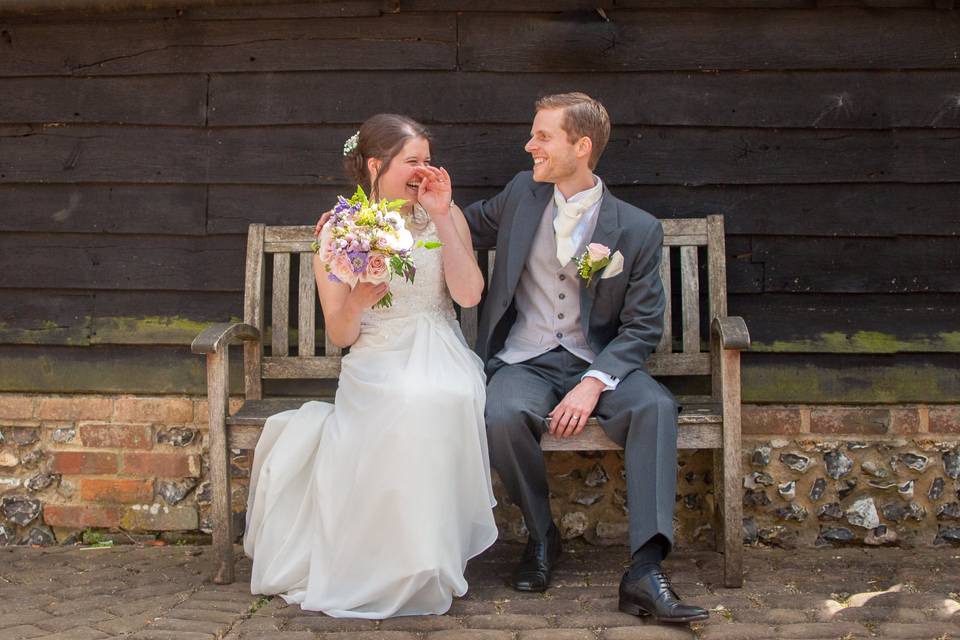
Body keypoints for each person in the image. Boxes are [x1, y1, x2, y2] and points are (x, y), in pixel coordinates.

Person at [457, 92, 709, 623]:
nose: (530, 145)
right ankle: (542, 536)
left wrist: (594, 381)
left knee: (655, 408)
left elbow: (642, 328)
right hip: (526, 358)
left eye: (542, 136)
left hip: (602, 362)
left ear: (582, 145)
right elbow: (459, 225)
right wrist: (388, 212)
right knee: (501, 413)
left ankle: (644, 569)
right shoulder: (521, 195)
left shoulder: (637, 229)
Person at [244, 113, 498, 618]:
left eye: (428, 159)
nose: (425, 169)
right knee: (403, 402)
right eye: (413, 161)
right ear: (377, 165)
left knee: (445, 396)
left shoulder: (444, 215)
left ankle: (430, 560)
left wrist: (443, 215)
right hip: (375, 355)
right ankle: (391, 560)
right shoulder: (341, 230)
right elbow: (341, 334)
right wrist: (357, 301)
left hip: (438, 346)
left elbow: (469, 295)